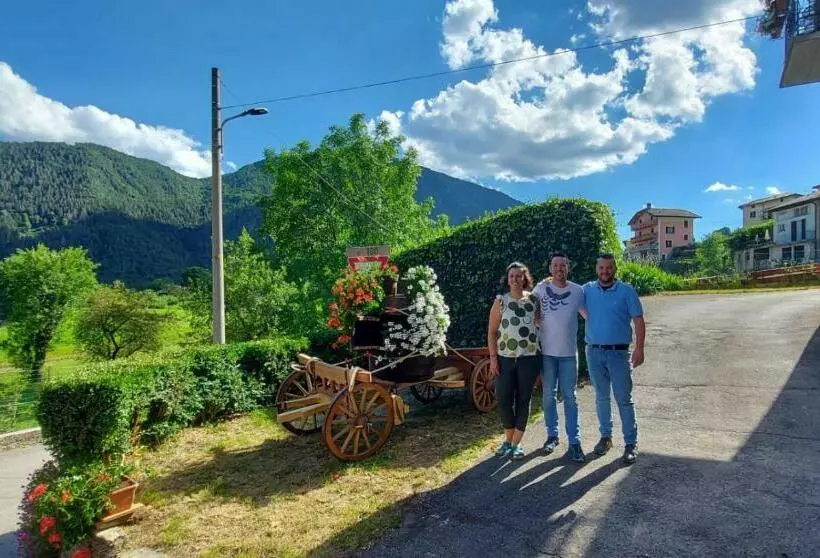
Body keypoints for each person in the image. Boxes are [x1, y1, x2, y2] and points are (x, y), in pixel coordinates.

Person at [583, 253, 645, 465]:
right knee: (601, 398)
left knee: (623, 399)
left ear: (615, 268)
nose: (605, 272)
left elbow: (638, 320)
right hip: (594, 352)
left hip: (619, 354)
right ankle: (605, 437)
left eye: (609, 268)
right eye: (601, 268)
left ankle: (630, 443)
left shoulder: (627, 291)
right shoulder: (587, 290)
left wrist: (640, 349)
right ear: (596, 269)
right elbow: (565, 292)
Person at [532, 253, 587, 463]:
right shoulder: (541, 289)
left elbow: (589, 315)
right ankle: (552, 436)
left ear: (568, 268)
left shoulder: (577, 291)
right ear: (550, 269)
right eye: (555, 265)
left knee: (570, 398)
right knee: (548, 396)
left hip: (568, 355)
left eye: (562, 265)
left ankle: (574, 442)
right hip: (547, 353)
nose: (559, 269)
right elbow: (527, 303)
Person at [488, 261, 541, 460]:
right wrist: (493, 358)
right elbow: (492, 333)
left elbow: (539, 325)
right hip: (504, 359)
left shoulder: (534, 300)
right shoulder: (500, 301)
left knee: (523, 399)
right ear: (507, 279)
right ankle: (508, 439)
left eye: (519, 276)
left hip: (529, 358)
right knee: (502, 398)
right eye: (512, 276)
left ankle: (515, 444)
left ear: (524, 278)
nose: (515, 279)